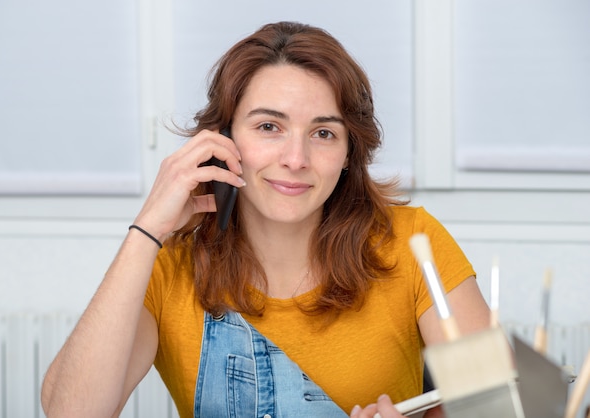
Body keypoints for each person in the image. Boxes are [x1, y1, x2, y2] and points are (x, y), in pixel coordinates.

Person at [41, 21, 491, 418]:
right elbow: (71, 412)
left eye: (323, 133)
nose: (296, 159)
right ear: (222, 139)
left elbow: (497, 405)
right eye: (268, 127)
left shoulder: (413, 241)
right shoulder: (166, 267)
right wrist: (147, 230)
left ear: (349, 154)